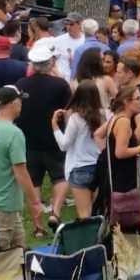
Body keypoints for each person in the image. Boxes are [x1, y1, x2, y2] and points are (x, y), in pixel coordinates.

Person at [0, 85, 44, 250]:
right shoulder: (14, 133)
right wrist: (35, 202)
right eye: (20, 100)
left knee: (19, 250)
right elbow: (20, 173)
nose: (21, 104)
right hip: (3, 205)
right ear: (13, 103)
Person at [16, 43, 73, 236]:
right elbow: (68, 113)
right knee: (61, 177)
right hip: (54, 140)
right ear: (50, 63)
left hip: (29, 140)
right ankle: (55, 212)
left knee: (34, 183)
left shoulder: (21, 84)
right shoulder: (60, 85)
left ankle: (38, 227)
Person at [52, 80, 107, 220]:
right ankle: (98, 239)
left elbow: (64, 145)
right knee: (97, 211)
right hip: (99, 167)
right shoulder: (105, 115)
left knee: (84, 214)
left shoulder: (76, 118)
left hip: (80, 168)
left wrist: (54, 125)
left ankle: (88, 241)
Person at [98, 85, 140, 233]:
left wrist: (105, 152)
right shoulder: (124, 122)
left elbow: (97, 134)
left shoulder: (115, 118)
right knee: (127, 223)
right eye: (138, 98)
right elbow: (120, 152)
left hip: (114, 175)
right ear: (127, 102)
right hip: (123, 180)